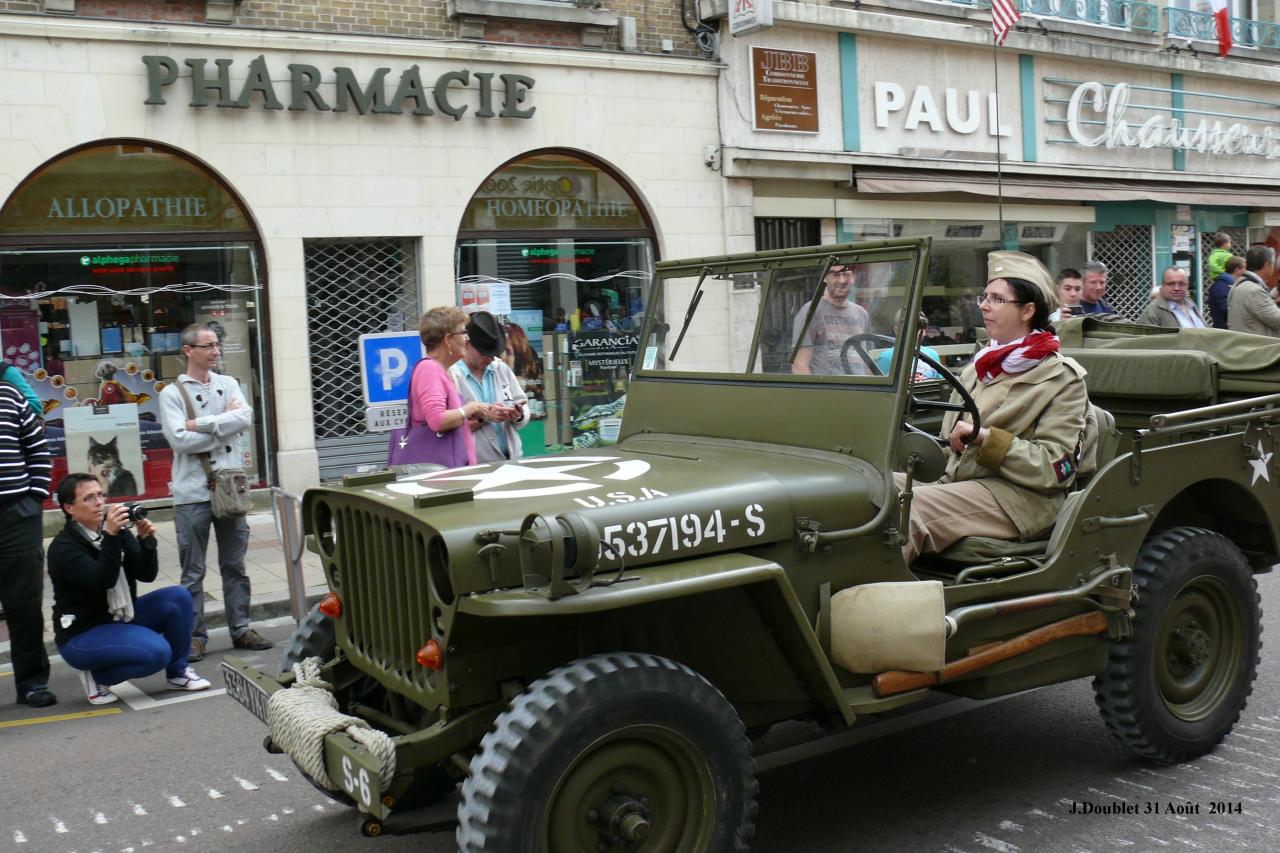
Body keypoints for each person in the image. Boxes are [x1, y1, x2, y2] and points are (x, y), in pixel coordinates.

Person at [898, 251, 1088, 565]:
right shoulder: (979, 366)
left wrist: (986, 439)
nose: (983, 305)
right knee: (865, 490)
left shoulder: (1060, 378)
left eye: (998, 299)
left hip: (1021, 499)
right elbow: (950, 446)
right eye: (984, 296)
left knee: (907, 509)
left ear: (1028, 310)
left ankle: (879, 608)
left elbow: (1056, 467)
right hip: (960, 482)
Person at [48, 474, 210, 705]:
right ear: (70, 508)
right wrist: (111, 537)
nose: (99, 502)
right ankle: (96, 675)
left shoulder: (116, 531)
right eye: (89, 498)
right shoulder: (63, 548)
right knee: (157, 653)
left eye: (100, 495)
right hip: (82, 634)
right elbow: (102, 580)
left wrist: (146, 541)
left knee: (179, 597)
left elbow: (146, 574)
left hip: (119, 618)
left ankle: (178, 673)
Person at [159, 323, 268, 662]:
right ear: (188, 350)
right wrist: (225, 426)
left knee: (234, 563)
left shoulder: (229, 383)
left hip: (230, 488)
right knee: (193, 571)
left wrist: (204, 425)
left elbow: (246, 417)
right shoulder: (172, 393)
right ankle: (194, 636)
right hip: (192, 492)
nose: (215, 351)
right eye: (207, 346)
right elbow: (179, 440)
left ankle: (241, 627)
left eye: (217, 344)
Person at [0, 372, 54, 707]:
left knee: (24, 605)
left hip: (16, 517)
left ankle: (32, 683)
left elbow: (37, 448)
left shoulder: (9, 394)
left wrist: (34, 499)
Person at [401, 306, 491, 466]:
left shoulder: (440, 370)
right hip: (442, 477)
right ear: (448, 340)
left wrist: (475, 414)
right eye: (463, 333)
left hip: (449, 472)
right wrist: (468, 409)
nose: (468, 339)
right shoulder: (429, 369)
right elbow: (437, 421)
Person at [450, 312, 531, 464]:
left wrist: (518, 414)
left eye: (494, 354)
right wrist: (486, 417)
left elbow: (522, 404)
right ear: (467, 344)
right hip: (473, 464)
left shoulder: (500, 368)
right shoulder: (452, 376)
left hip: (511, 458)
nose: (490, 359)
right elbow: (451, 429)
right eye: (484, 354)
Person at [792, 263, 870, 375]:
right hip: (829, 391)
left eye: (846, 274)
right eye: (835, 275)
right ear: (825, 277)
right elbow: (800, 366)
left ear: (854, 277)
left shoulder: (862, 314)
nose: (842, 280)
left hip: (860, 391)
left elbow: (868, 365)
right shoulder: (811, 311)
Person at [1228, 245, 1280, 337]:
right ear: (1267, 265)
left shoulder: (1240, 284)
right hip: (1258, 348)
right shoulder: (1253, 290)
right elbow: (1277, 320)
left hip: (1245, 345)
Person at [874, 311, 942, 381]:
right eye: (908, 327)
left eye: (918, 327)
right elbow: (881, 387)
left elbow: (941, 384)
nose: (914, 331)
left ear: (925, 330)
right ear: (896, 330)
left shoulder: (932, 355)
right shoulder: (887, 357)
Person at [1138, 267, 1205, 329]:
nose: (1177, 288)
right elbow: (1146, 340)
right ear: (1163, 285)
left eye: (1181, 284)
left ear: (1187, 285)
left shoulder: (1191, 304)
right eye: (1171, 284)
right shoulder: (1152, 311)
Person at [1208, 256, 1244, 329]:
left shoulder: (1230, 285)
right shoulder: (1220, 286)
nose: (1247, 271)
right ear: (1237, 270)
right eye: (1245, 268)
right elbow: (1226, 311)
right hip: (1225, 332)